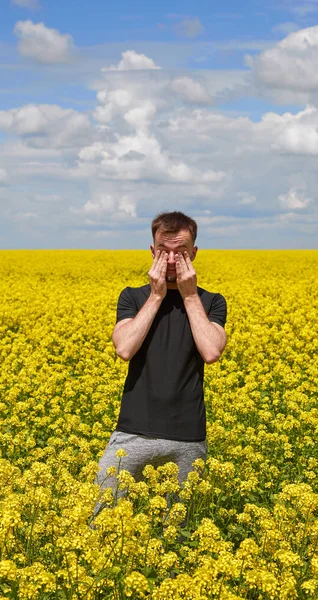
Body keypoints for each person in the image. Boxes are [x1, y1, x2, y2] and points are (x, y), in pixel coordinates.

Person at [93, 211, 227, 516]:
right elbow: (124, 348)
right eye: (164, 252)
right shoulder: (133, 297)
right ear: (152, 252)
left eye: (180, 253)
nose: (171, 260)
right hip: (133, 433)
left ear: (194, 253)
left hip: (188, 439)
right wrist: (156, 296)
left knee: (178, 532)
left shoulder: (211, 302)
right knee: (101, 521)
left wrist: (189, 294)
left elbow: (211, 351)